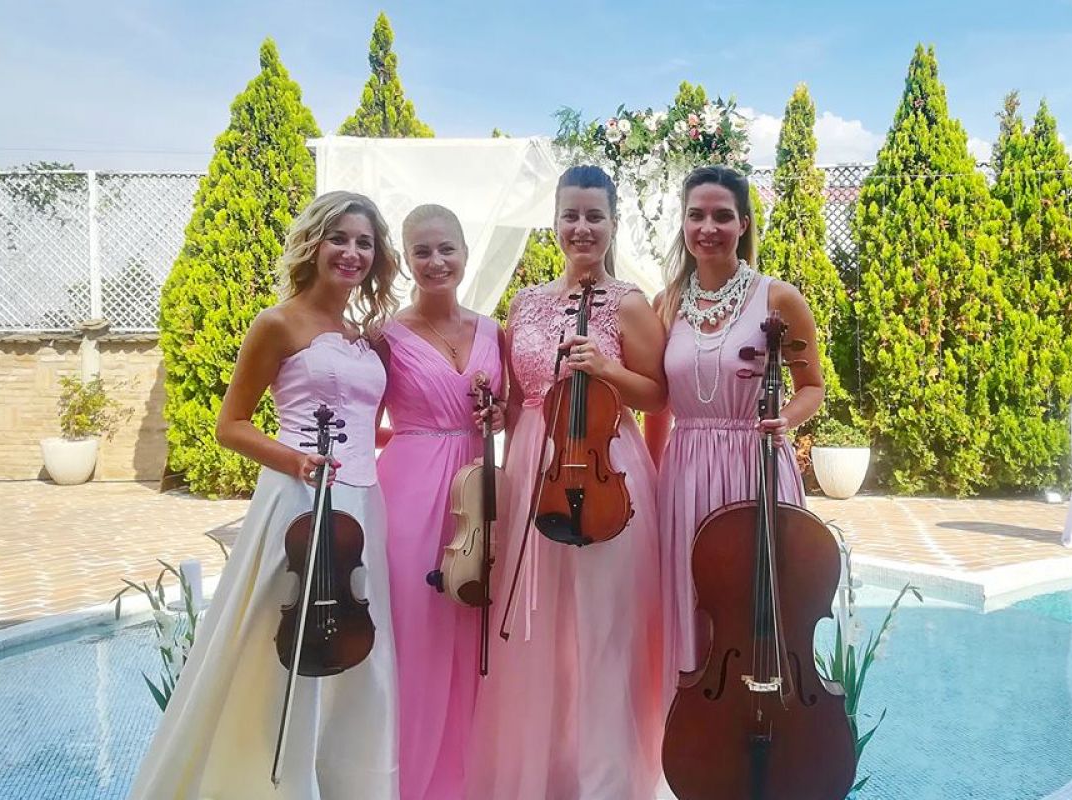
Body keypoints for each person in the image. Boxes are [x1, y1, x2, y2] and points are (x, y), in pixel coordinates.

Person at [128, 191, 402, 800]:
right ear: (314, 244)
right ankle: (268, 783)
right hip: (298, 501)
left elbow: (365, 426)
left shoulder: (367, 338)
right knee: (276, 646)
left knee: (360, 646)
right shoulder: (277, 323)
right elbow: (231, 425)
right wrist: (296, 460)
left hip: (364, 505)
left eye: (364, 243)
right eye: (339, 238)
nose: (352, 252)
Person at [465, 166, 667, 800]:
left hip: (606, 466)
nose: (582, 228)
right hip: (535, 464)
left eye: (594, 216)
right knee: (538, 632)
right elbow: (522, 397)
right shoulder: (524, 303)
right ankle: (546, 776)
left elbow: (657, 395)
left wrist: (606, 368)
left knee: (605, 628)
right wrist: (498, 415)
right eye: (571, 215)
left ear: (612, 224)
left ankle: (608, 783)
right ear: (554, 222)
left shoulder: (629, 303)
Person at [653, 165, 826, 691]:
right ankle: (696, 729)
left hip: (755, 465)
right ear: (683, 222)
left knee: (760, 610)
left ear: (744, 223)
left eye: (722, 216)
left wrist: (784, 420)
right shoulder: (666, 304)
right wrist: (653, 484)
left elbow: (812, 386)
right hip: (684, 474)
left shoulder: (779, 299)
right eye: (696, 215)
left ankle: (767, 725)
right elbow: (658, 405)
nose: (708, 228)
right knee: (692, 607)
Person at [374, 204, 504, 800]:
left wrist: (498, 414)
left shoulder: (493, 330)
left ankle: (472, 776)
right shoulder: (384, 337)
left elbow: (515, 408)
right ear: (405, 260)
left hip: (478, 488)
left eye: (446, 248)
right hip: (409, 490)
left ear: (465, 253)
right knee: (417, 628)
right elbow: (362, 420)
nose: (436, 261)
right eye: (422, 251)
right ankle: (410, 780)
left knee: (476, 621)